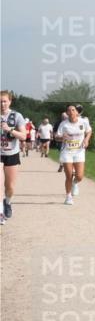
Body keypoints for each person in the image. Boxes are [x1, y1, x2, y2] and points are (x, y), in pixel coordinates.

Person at [54, 104, 91, 205]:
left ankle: (75, 183)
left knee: (79, 176)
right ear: (67, 113)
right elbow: (56, 137)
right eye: (69, 111)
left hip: (79, 152)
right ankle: (68, 196)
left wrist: (86, 140)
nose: (71, 112)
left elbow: (89, 131)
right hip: (67, 152)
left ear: (77, 112)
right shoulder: (63, 124)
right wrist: (62, 138)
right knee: (69, 175)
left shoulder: (83, 122)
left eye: (73, 110)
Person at [1, 90, 28, 223]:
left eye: (5, 101)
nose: (2, 104)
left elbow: (24, 136)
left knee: (9, 187)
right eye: (0, 101)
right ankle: (1, 213)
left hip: (11, 154)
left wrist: (10, 129)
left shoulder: (17, 116)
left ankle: (8, 202)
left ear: (10, 101)